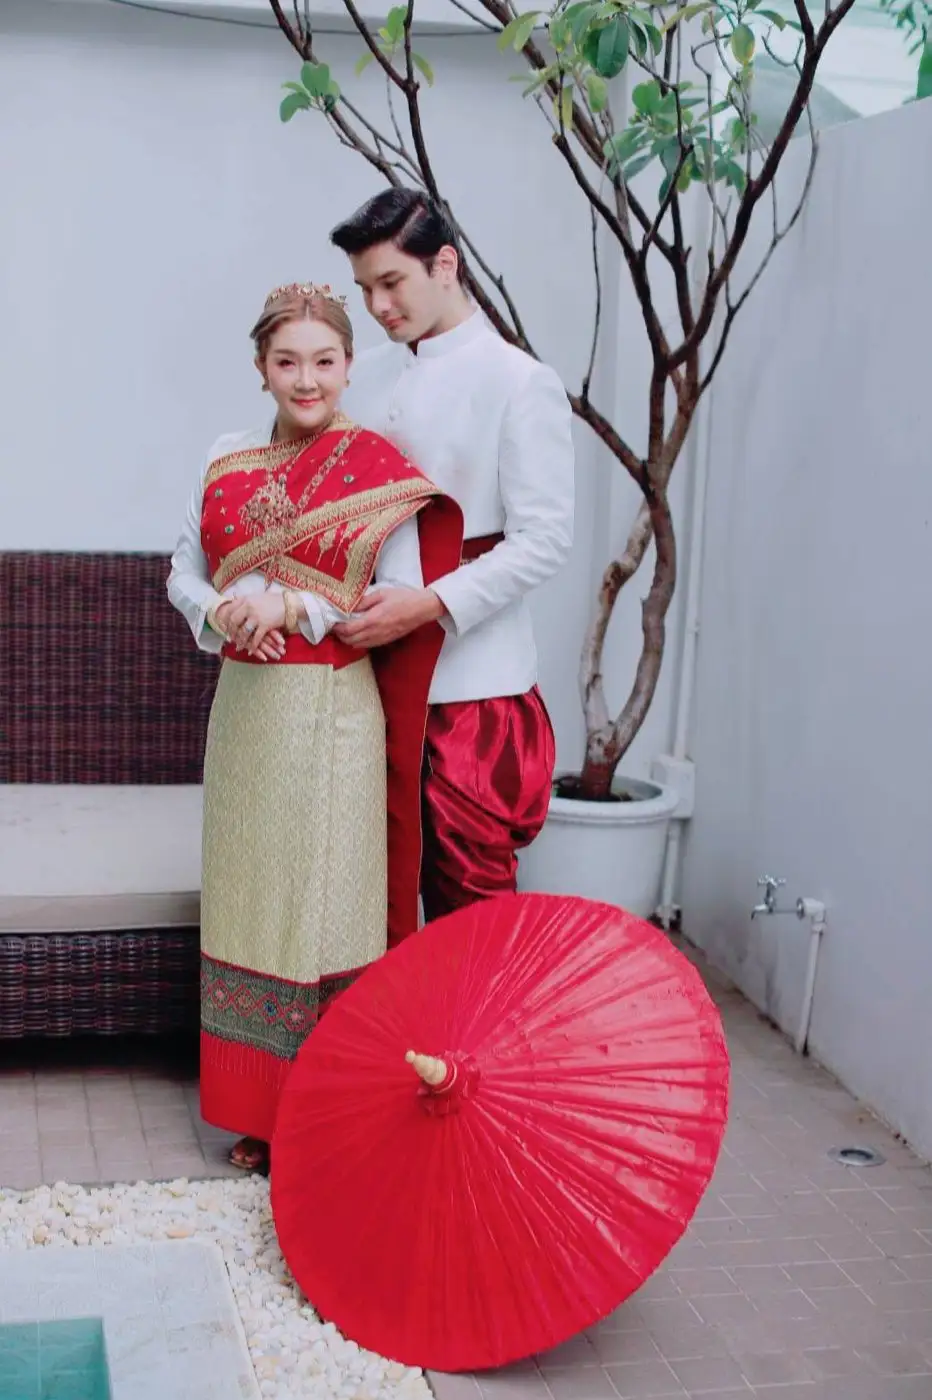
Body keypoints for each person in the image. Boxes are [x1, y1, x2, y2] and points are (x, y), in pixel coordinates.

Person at [167, 283, 462, 1172]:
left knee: (324, 908)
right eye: (287, 361)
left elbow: (393, 595)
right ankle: (256, 1114)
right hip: (246, 712)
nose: (307, 380)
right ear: (261, 368)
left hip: (331, 715)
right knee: (249, 903)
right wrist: (222, 611)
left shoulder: (377, 468)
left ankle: (330, 1111)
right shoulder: (226, 460)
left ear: (348, 365)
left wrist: (290, 605)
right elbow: (183, 568)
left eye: (324, 361)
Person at [328, 189, 575, 921]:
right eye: (364, 289)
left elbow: (545, 538)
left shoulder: (519, 381)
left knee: (470, 907)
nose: (377, 306)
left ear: (445, 264)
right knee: (365, 895)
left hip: (472, 687)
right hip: (365, 673)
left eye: (391, 283)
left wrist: (430, 603)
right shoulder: (363, 377)